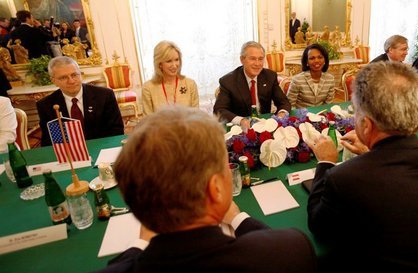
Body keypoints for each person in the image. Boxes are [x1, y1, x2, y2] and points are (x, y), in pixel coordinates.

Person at [307, 61, 418, 272]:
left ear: (366, 124)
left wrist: (326, 162)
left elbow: (319, 227)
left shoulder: (345, 178)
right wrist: (369, 153)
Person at [94, 106, 317, 273]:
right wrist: (239, 218)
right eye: (226, 167)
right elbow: (271, 248)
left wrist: (140, 244)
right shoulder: (291, 252)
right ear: (215, 189)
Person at [36, 56, 124, 146]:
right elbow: (49, 139)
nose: (71, 81)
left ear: (81, 75)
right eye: (63, 78)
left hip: (102, 147)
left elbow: (116, 130)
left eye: (74, 75)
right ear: (54, 81)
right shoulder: (45, 105)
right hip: (69, 153)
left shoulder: (104, 95)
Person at [213, 41, 291, 130]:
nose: (257, 64)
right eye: (253, 59)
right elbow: (219, 110)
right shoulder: (228, 81)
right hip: (239, 128)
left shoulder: (270, 76)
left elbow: (284, 102)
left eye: (260, 59)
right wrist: (240, 120)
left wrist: (281, 114)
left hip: (264, 125)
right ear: (242, 60)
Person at [142, 40, 199, 116]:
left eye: (177, 60)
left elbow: (196, 117)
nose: (174, 65)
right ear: (160, 64)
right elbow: (148, 121)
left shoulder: (190, 84)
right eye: (169, 61)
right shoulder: (148, 88)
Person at [287, 43, 335, 108]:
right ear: (306, 62)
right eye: (312, 58)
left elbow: (328, 105)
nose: (317, 61)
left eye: (320, 57)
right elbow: (290, 105)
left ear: (325, 60)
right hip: (301, 116)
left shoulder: (330, 79)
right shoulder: (297, 80)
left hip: (321, 115)